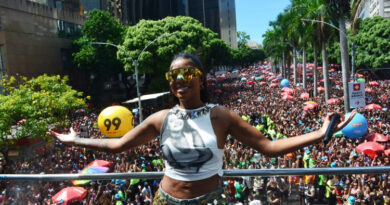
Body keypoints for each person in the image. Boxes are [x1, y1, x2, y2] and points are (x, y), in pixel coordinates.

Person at [47, 53, 356, 204]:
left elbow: (268, 147)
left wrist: (321, 132)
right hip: (165, 200)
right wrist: (77, 141)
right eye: (173, 75)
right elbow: (116, 146)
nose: (180, 79)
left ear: (202, 79)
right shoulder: (161, 118)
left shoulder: (221, 116)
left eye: (187, 72)